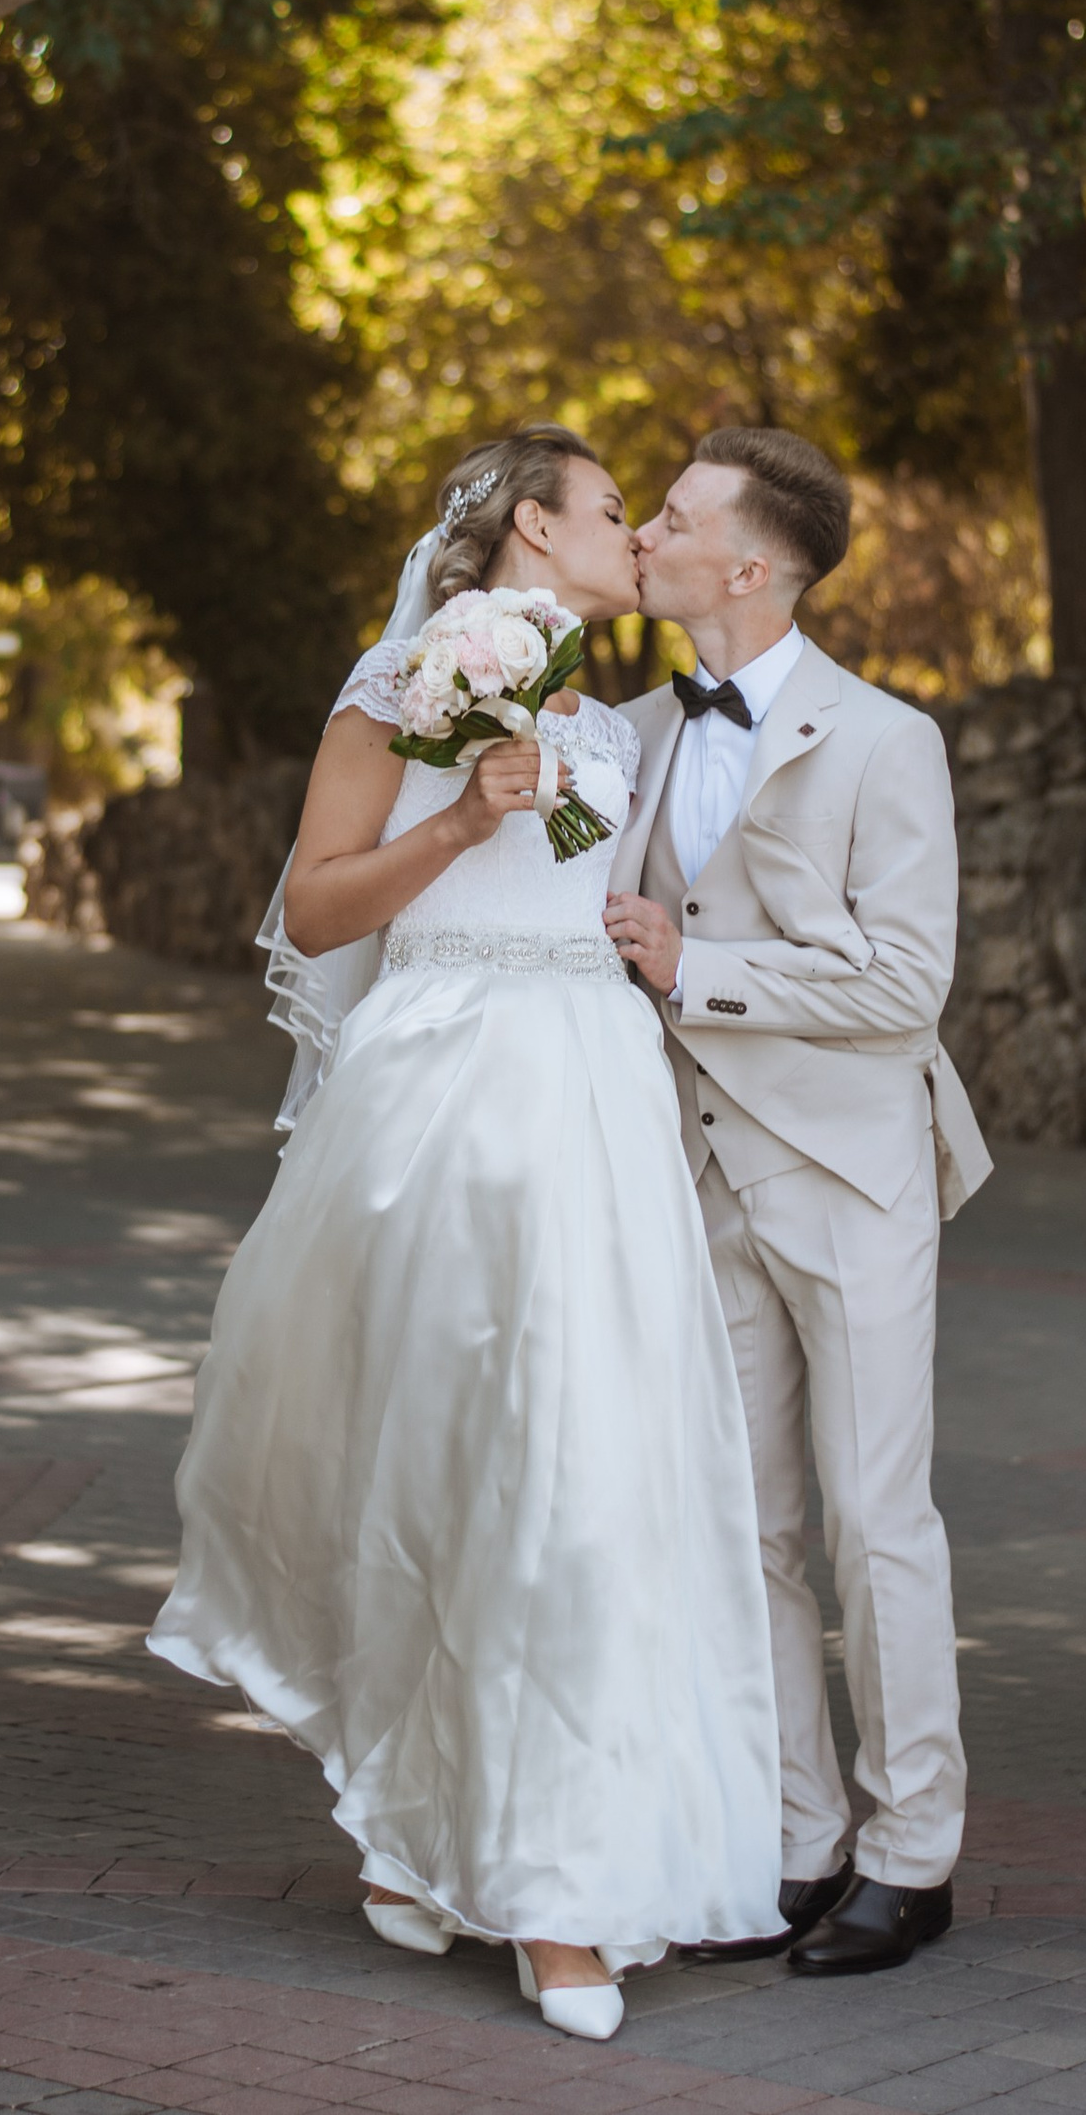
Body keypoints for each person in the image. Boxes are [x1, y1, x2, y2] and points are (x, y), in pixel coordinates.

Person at [149, 425, 783, 2043]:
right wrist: (462, 819)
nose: (634, 537)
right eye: (610, 513)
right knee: (443, 1471)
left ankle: (553, 1884)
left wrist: (650, 938)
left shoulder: (612, 728)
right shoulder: (404, 690)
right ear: (525, 532)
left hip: (595, 1102)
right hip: (446, 1101)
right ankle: (443, 1835)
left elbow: (589, 898)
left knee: (585, 1481)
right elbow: (314, 908)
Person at [603, 429, 992, 1978]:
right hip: (692, 1174)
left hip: (850, 1172)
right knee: (748, 1527)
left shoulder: (886, 742)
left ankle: (916, 1855)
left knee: (874, 1517)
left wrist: (698, 968)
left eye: (676, 517)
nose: (646, 532)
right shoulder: (623, 731)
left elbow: (907, 983)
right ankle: (798, 1841)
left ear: (747, 566)